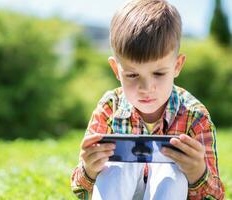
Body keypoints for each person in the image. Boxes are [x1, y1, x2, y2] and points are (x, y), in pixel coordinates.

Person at [70, 0, 225, 199]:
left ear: (177, 66)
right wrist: (89, 169)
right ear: (117, 71)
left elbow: (215, 196)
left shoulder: (195, 116)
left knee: (172, 172)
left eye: (159, 74)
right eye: (133, 75)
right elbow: (81, 190)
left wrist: (197, 173)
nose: (146, 89)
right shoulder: (109, 107)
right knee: (115, 168)